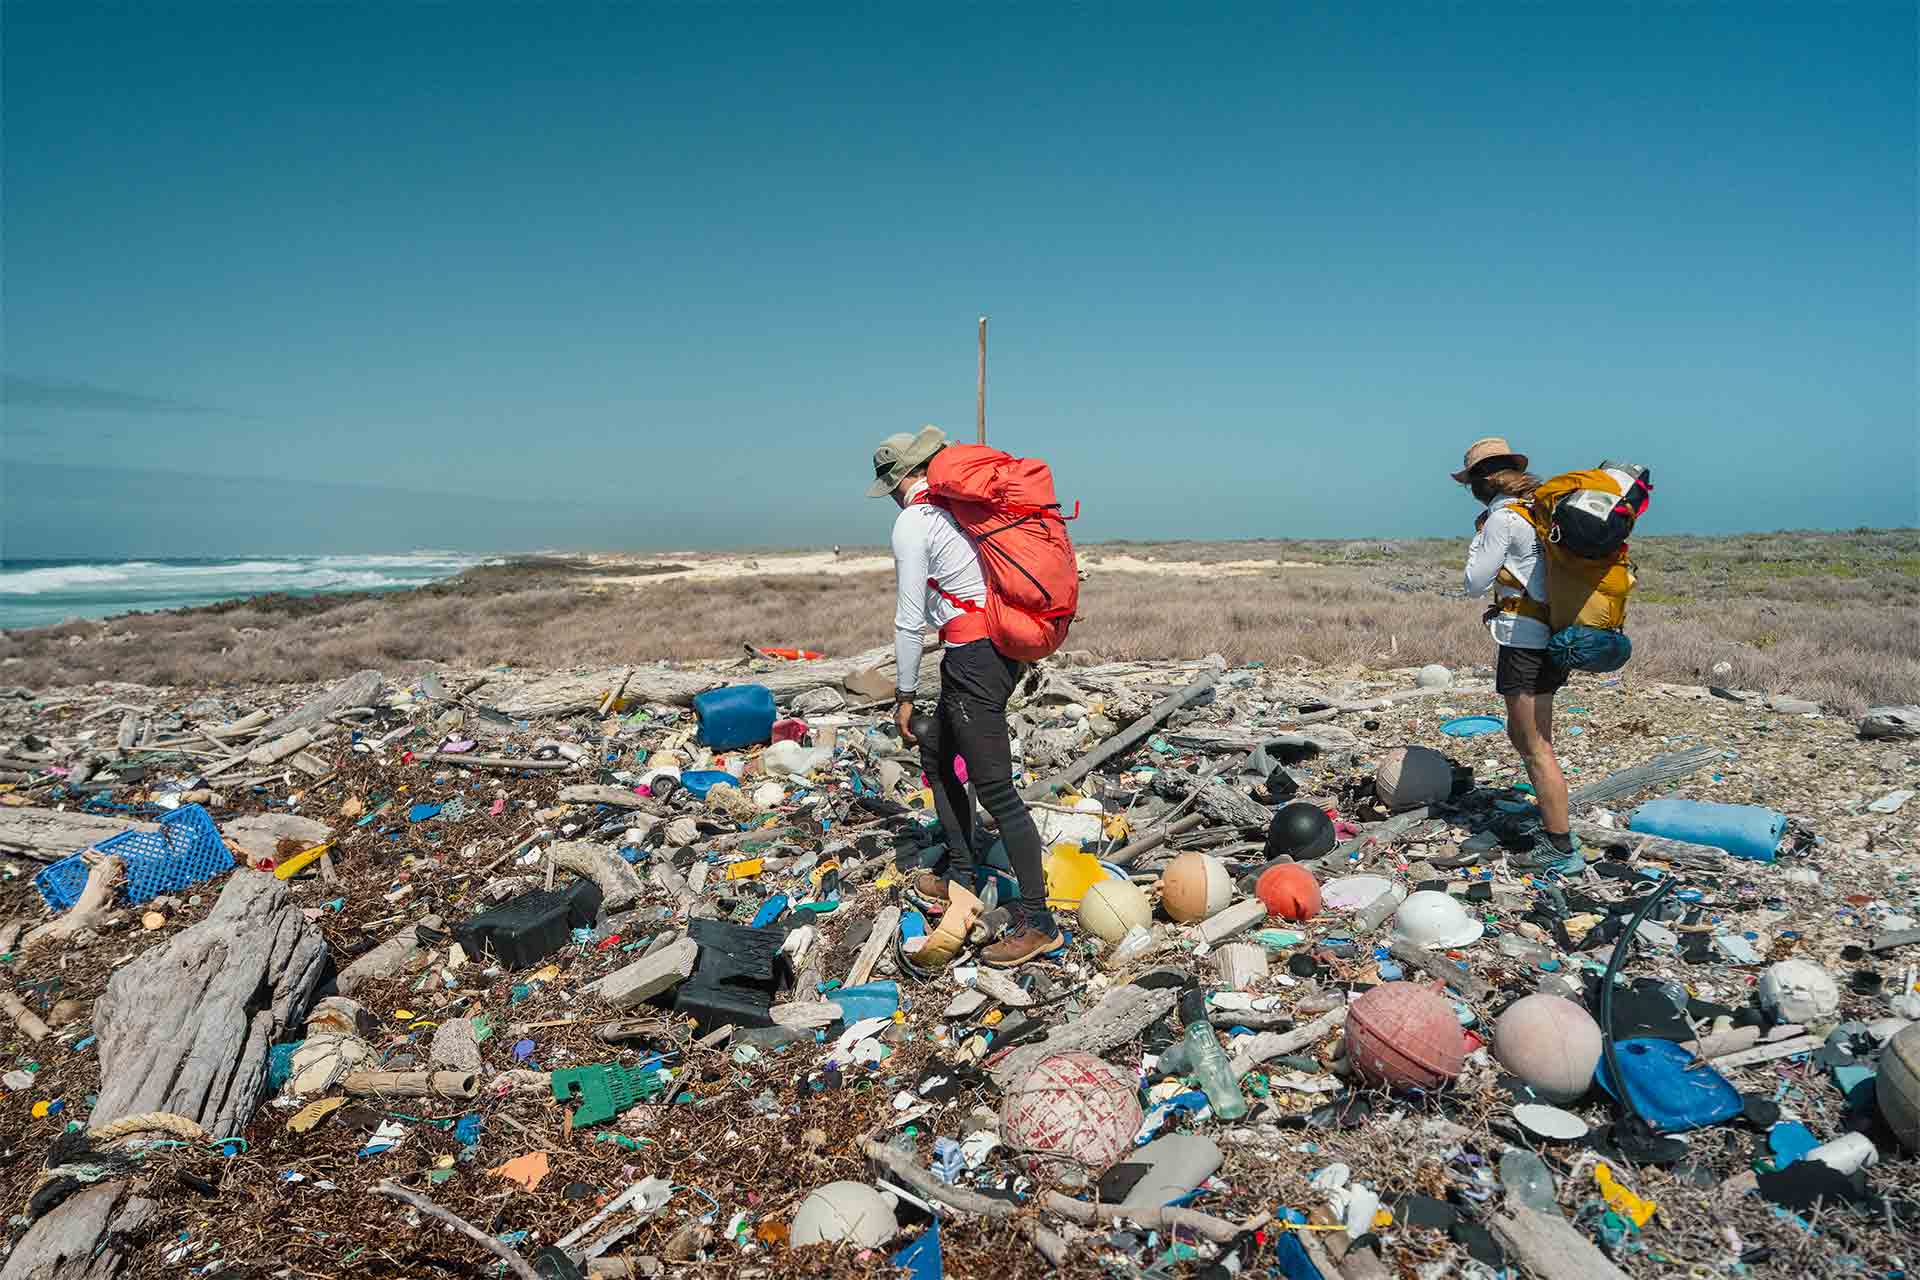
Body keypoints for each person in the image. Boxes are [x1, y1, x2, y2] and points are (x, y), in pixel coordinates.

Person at [868, 425, 1063, 965]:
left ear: (896, 483)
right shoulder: (961, 509)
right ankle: (961, 873)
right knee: (936, 752)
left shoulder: (914, 521)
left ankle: (1037, 921)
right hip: (992, 648)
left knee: (996, 790)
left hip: (975, 656)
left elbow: (910, 619)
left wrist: (905, 693)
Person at [1455, 436, 1582, 873]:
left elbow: (1473, 581)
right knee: (1532, 737)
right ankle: (1555, 823)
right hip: (1553, 635)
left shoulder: (1502, 520)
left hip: (1523, 640)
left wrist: (1478, 540)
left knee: (1535, 746)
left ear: (1479, 483)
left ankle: (1561, 846)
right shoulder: (1536, 513)